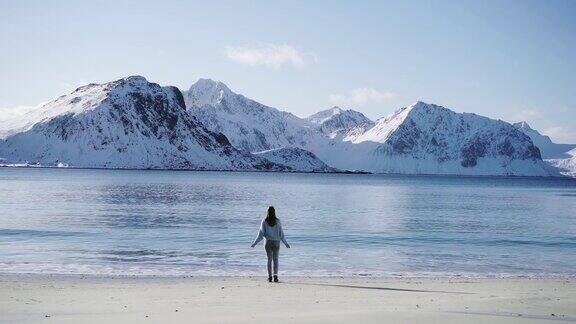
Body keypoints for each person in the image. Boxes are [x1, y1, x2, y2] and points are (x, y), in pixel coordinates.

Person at [251, 206, 290, 282]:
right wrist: (286, 243)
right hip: (276, 242)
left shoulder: (264, 221)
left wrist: (254, 243)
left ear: (267, 212)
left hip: (268, 243)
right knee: (276, 259)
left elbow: (260, 235)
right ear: (274, 212)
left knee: (269, 260)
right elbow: (281, 234)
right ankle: (275, 276)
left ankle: (270, 277)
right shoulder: (278, 221)